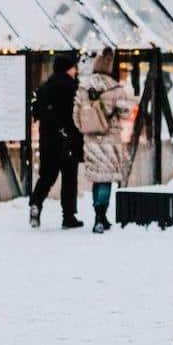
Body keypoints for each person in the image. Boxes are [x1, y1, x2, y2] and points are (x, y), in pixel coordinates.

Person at [74, 48, 135, 233]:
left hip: (91, 140)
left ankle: (98, 215)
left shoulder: (84, 87)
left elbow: (76, 115)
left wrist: (87, 128)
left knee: (96, 178)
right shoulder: (115, 87)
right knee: (105, 179)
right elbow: (125, 113)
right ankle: (101, 217)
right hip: (110, 140)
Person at [28, 53, 83, 229]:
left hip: (48, 140)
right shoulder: (72, 88)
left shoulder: (44, 87)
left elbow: (35, 111)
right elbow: (76, 116)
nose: (76, 70)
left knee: (47, 176)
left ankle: (36, 203)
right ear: (68, 68)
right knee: (69, 179)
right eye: (74, 67)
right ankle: (68, 216)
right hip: (67, 139)